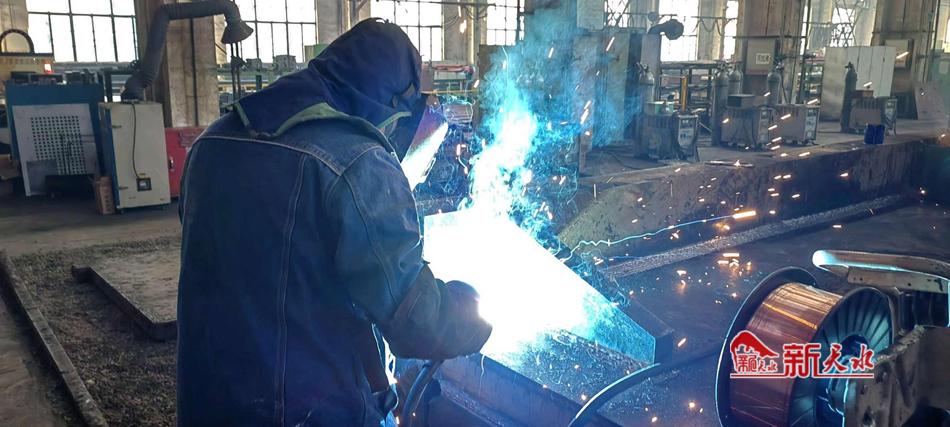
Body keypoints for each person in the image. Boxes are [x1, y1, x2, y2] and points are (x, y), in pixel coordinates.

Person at [176, 19, 492, 426]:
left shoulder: (212, 142)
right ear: (394, 107)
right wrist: (471, 314)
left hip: (207, 405)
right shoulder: (358, 163)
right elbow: (416, 323)